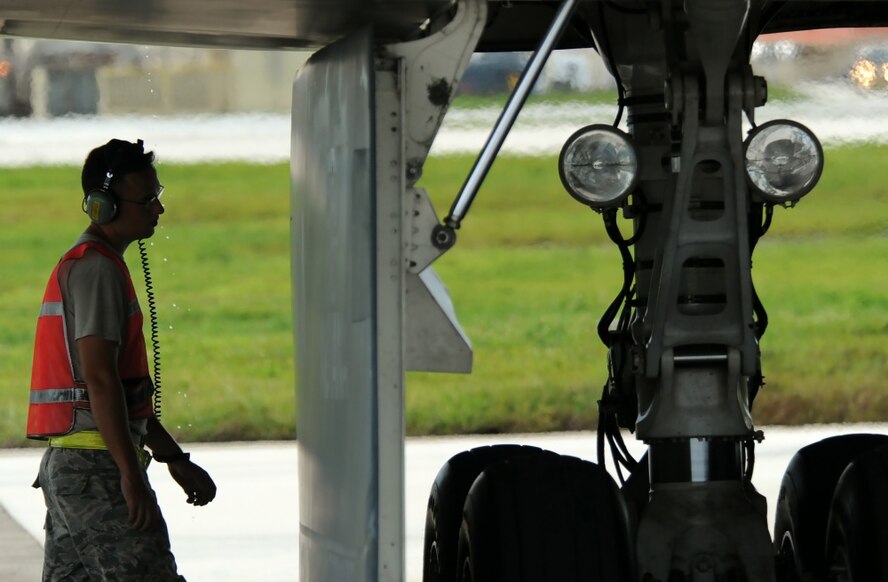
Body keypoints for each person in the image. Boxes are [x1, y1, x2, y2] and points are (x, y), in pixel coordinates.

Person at [27, 138, 217, 581]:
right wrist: (130, 477)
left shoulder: (99, 264)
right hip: (96, 471)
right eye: (148, 200)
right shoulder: (96, 269)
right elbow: (100, 380)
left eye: (158, 196)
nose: (158, 210)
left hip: (79, 467)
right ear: (103, 207)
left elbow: (122, 388)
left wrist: (172, 457)